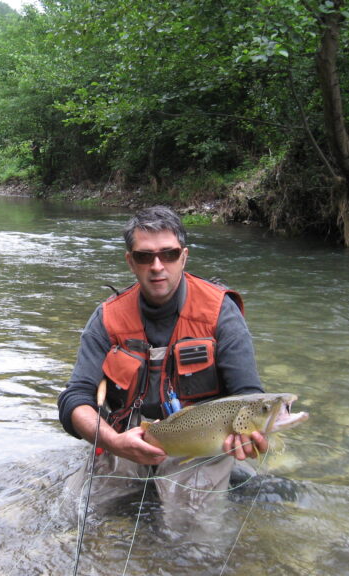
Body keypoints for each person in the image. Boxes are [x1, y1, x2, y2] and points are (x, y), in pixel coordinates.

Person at [57, 205, 268, 512]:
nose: (157, 266)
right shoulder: (107, 318)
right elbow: (74, 399)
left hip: (199, 441)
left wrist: (249, 438)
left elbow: (249, 396)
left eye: (168, 254)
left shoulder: (220, 312)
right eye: (145, 256)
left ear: (183, 256)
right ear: (131, 262)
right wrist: (114, 443)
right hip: (127, 438)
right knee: (79, 512)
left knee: (192, 538)